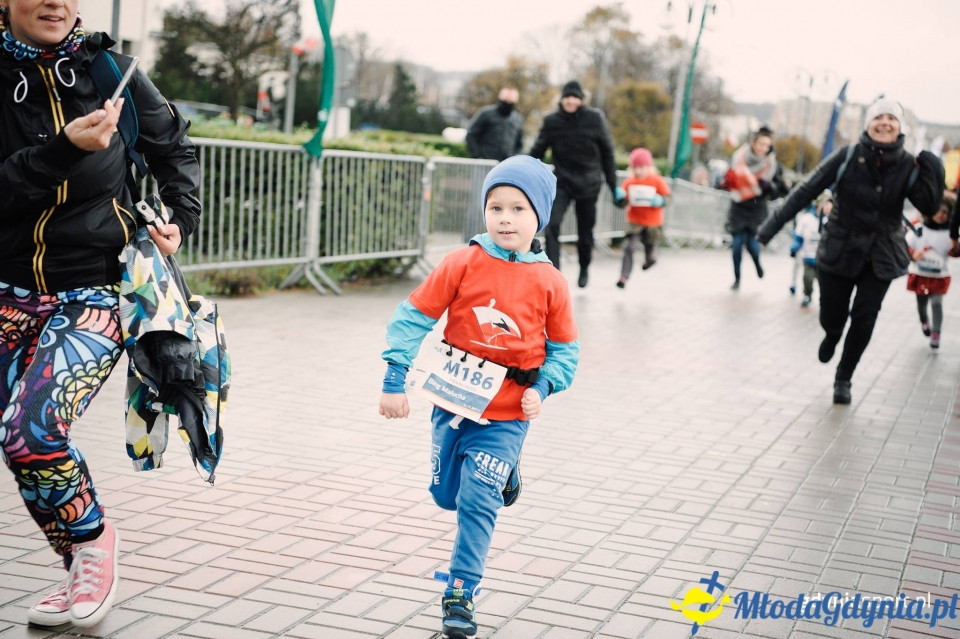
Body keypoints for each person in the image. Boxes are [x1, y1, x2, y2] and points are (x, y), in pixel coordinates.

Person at [0, 0, 201, 628]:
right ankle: (77, 561)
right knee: (18, 443)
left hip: (96, 290)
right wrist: (62, 150)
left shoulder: (111, 70)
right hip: (7, 291)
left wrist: (178, 219)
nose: (55, 2)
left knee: (32, 431)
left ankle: (92, 548)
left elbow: (174, 149)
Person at [378, 155, 579, 638]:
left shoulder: (550, 281)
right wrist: (394, 379)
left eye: (518, 209)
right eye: (496, 208)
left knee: (476, 501)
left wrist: (543, 387)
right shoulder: (461, 262)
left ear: (539, 217)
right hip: (453, 402)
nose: (505, 219)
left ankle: (461, 592)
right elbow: (413, 317)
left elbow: (565, 351)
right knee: (446, 494)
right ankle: (503, 475)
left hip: (508, 416)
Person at [758, 98, 943, 405]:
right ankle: (832, 333)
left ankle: (844, 377)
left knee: (865, 317)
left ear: (900, 128)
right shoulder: (847, 156)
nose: (885, 123)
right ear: (868, 124)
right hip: (840, 248)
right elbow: (806, 190)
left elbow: (929, 206)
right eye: (879, 117)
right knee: (832, 313)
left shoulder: (908, 165)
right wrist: (768, 229)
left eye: (892, 118)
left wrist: (933, 170)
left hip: (881, 254)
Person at [529, 80, 625, 288]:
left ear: (581, 100)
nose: (570, 101)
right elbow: (538, 149)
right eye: (567, 97)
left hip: (589, 184)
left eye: (575, 97)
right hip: (562, 182)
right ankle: (554, 272)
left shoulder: (594, 118)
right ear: (561, 99)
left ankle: (584, 266)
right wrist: (523, 167)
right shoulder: (552, 121)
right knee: (552, 224)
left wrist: (613, 185)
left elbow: (608, 153)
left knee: (585, 232)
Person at [721, 126, 778, 290]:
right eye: (761, 144)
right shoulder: (739, 157)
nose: (764, 148)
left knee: (753, 244)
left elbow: (778, 190)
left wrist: (768, 186)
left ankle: (758, 264)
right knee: (737, 244)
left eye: (767, 146)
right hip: (739, 204)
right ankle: (737, 279)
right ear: (753, 143)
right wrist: (726, 182)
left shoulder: (771, 163)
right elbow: (728, 179)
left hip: (757, 206)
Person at [906, 191, 957, 349]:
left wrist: (955, 248)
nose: (941, 215)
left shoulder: (949, 233)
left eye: (945, 212)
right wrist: (913, 254)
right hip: (921, 274)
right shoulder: (920, 229)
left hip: (939, 275)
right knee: (921, 304)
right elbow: (906, 245)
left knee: (936, 302)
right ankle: (924, 320)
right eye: (938, 211)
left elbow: (953, 251)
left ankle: (936, 332)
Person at [616, 147, 671, 288]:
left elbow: (668, 198)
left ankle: (649, 260)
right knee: (629, 247)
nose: (639, 171)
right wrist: (619, 198)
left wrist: (661, 200)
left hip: (653, 223)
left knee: (650, 249)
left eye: (642, 167)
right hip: (635, 222)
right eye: (636, 167)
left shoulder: (656, 180)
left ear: (649, 167)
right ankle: (624, 277)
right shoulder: (629, 182)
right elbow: (623, 203)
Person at [789, 190, 833, 308]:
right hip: (808, 256)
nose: (828, 207)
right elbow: (799, 236)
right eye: (825, 204)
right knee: (807, 278)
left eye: (830, 205)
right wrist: (794, 247)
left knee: (824, 282)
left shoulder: (831, 220)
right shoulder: (806, 219)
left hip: (823, 259)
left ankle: (825, 300)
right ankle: (807, 295)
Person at [465, 87, 524, 162]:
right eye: (506, 101)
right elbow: (471, 135)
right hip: (485, 162)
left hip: (506, 163)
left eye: (510, 101)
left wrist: (515, 158)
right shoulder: (485, 114)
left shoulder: (518, 119)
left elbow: (519, 144)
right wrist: (477, 155)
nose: (508, 104)